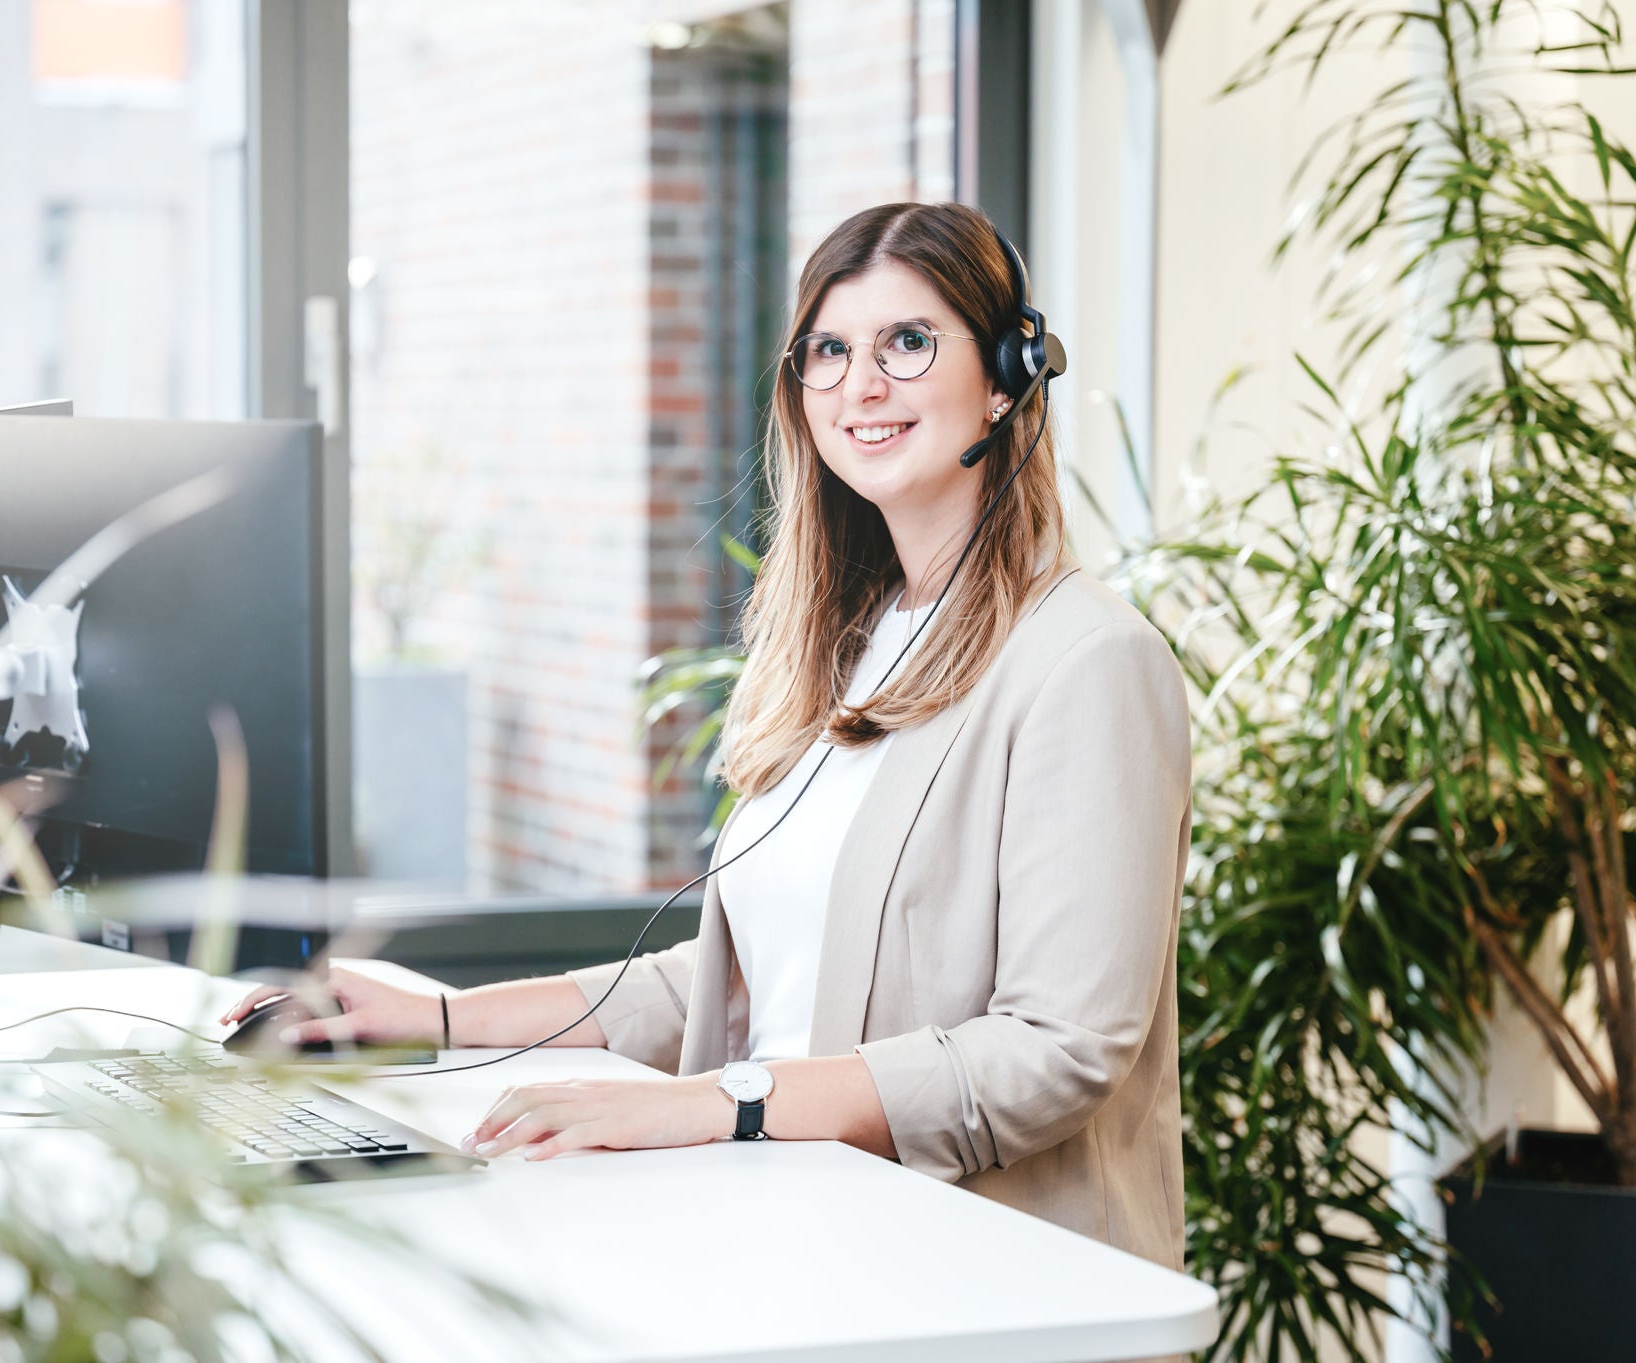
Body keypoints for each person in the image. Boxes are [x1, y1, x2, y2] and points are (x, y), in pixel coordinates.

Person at [224, 201, 1192, 1272]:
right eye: (828, 350)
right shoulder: (848, 646)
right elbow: (733, 984)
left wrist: (716, 1104)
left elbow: (1052, 1051)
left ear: (1007, 377)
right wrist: (436, 1018)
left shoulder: (1085, 663)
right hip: (802, 1232)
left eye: (905, 343)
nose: (860, 386)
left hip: (986, 1278)